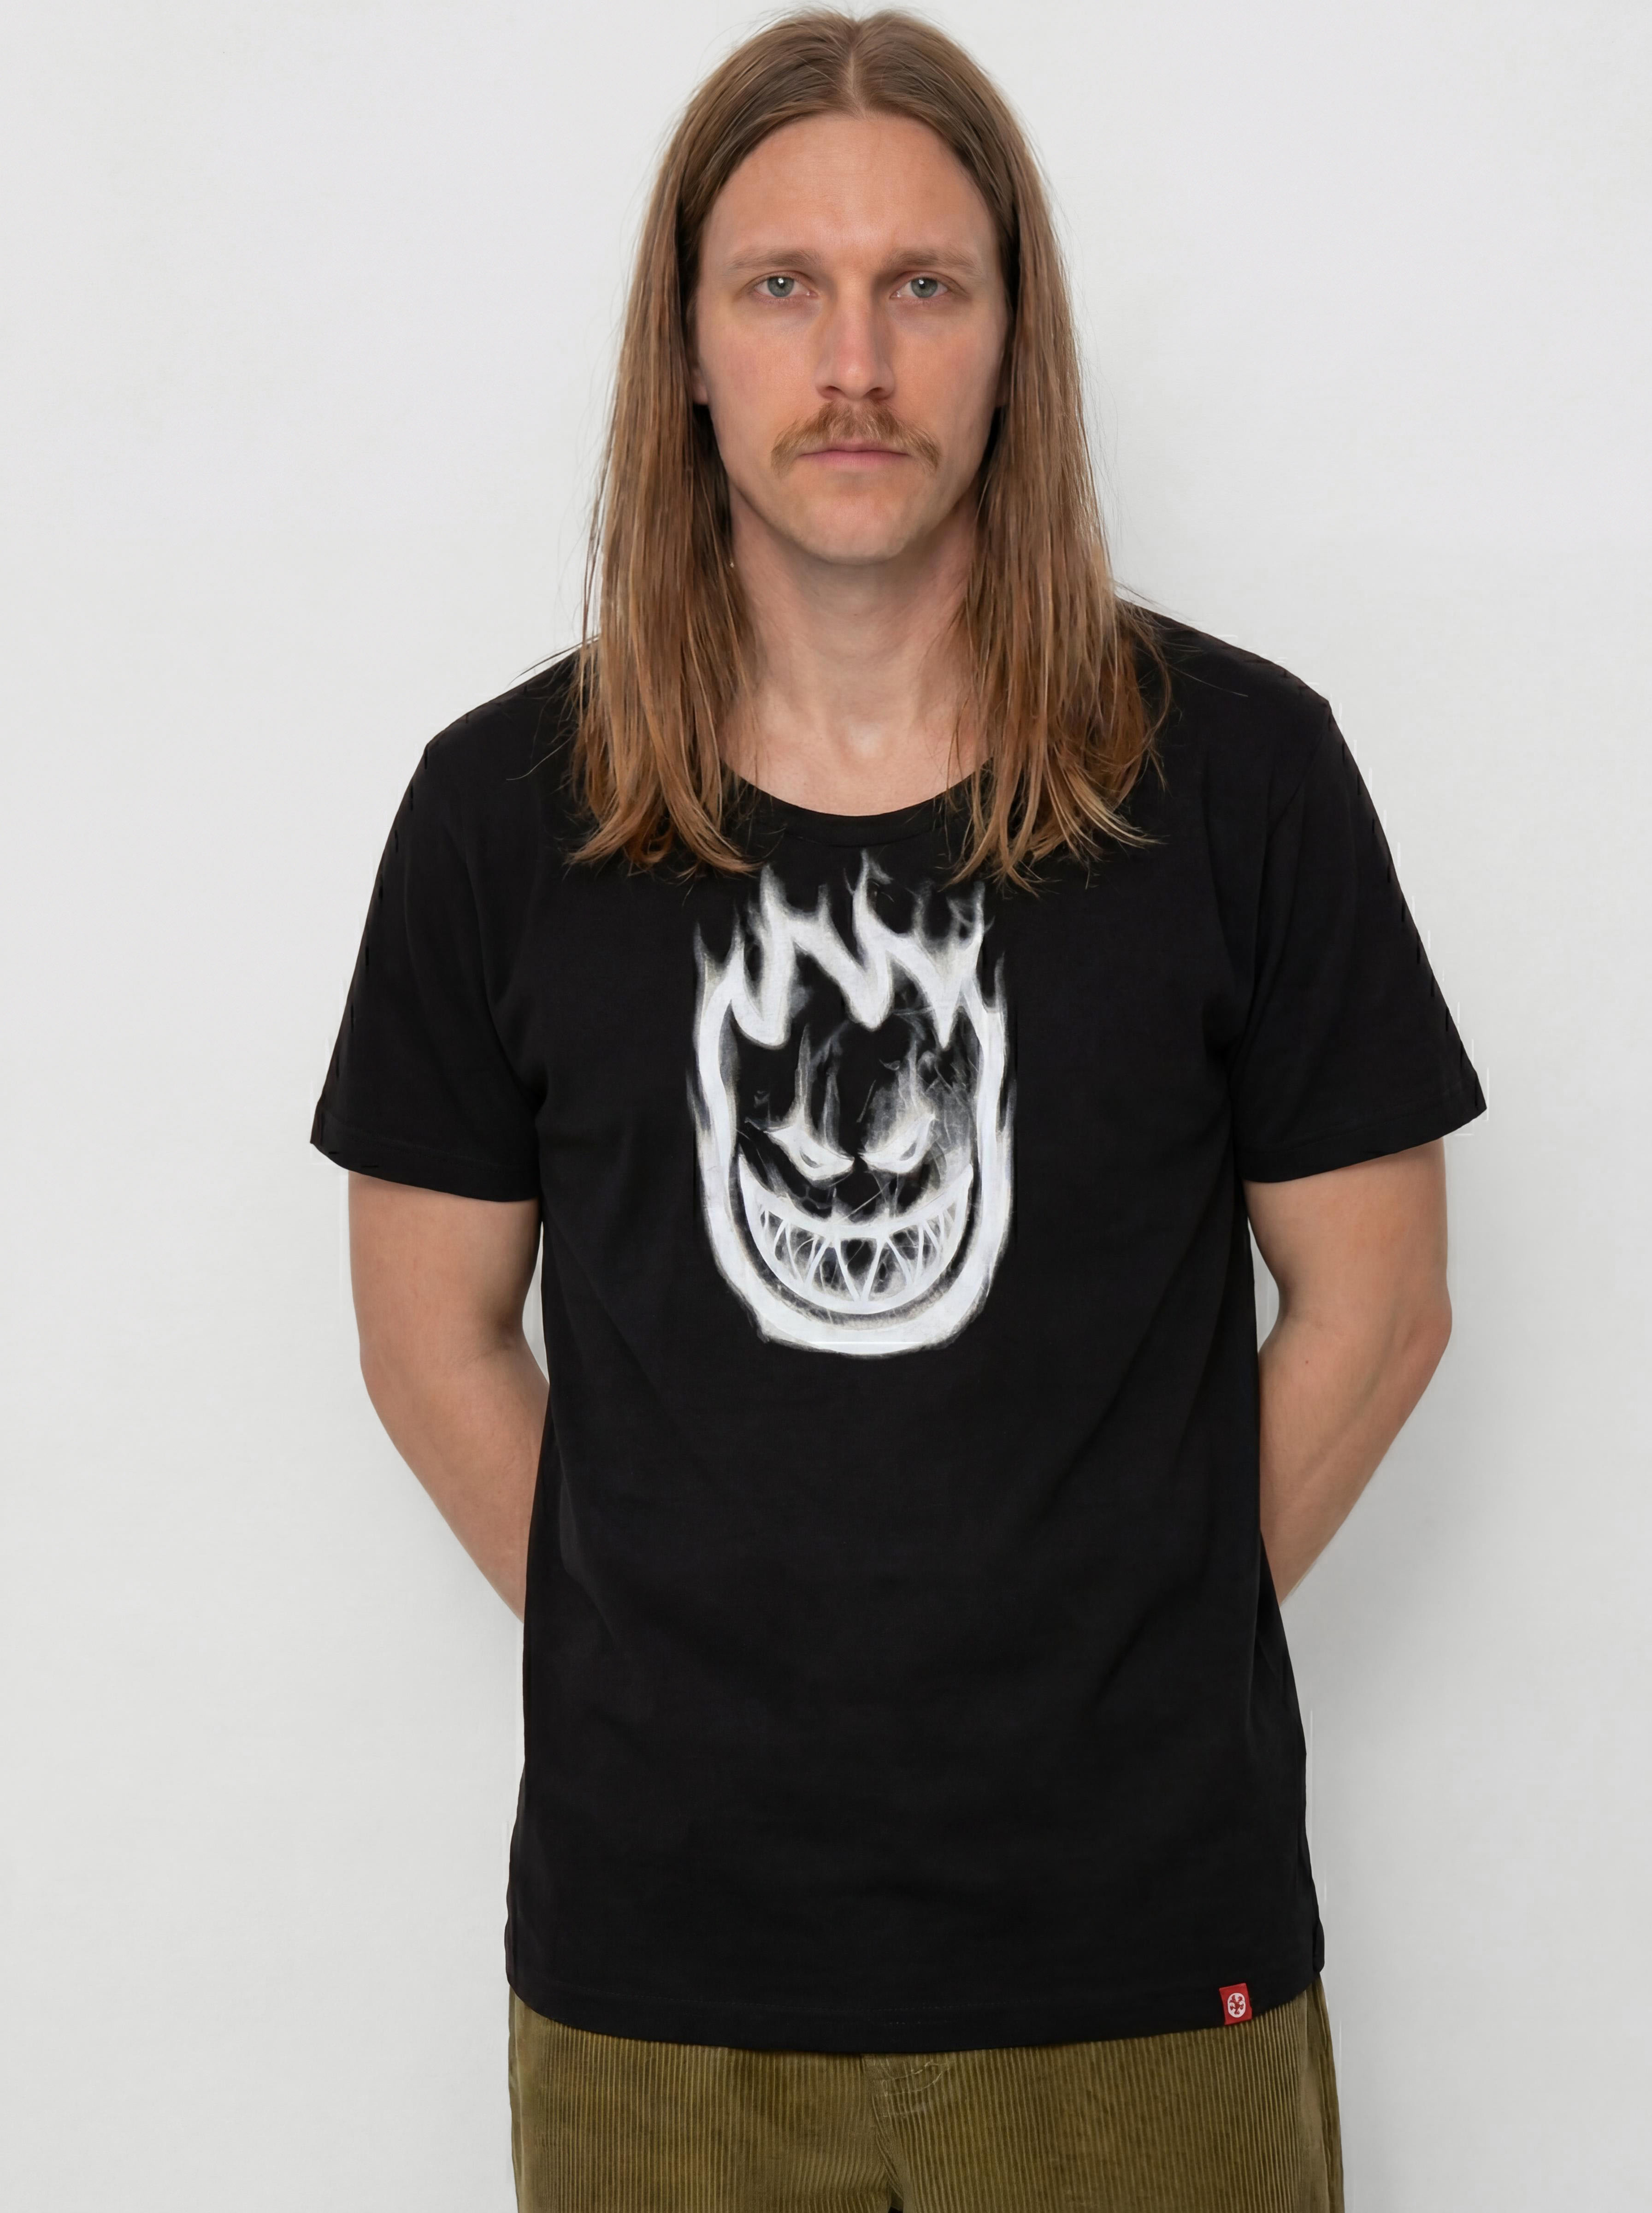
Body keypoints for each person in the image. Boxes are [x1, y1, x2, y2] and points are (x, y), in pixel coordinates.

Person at [311, 12, 1483, 2208]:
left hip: (1146, 1970)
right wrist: (664, 1660)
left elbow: (1380, 1303)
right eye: (782, 286)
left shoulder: (1238, 780)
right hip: (659, 1985)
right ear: (684, 346)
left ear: (1011, 341)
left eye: (920, 287)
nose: (852, 363)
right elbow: (424, 1330)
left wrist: (1121, 1643)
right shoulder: (499, 814)